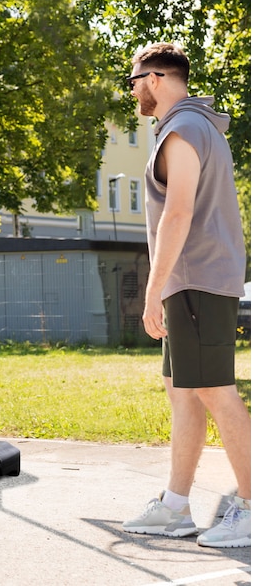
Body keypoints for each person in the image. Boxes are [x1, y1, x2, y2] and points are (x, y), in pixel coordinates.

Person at [121, 42, 250, 548]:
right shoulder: (201, 127)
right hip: (192, 279)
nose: (131, 90)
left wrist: (151, 292)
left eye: (132, 80)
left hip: (196, 278)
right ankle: (175, 505)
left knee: (216, 391)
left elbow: (178, 215)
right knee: (185, 392)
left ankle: (257, 506)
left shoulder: (183, 129)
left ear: (154, 78)